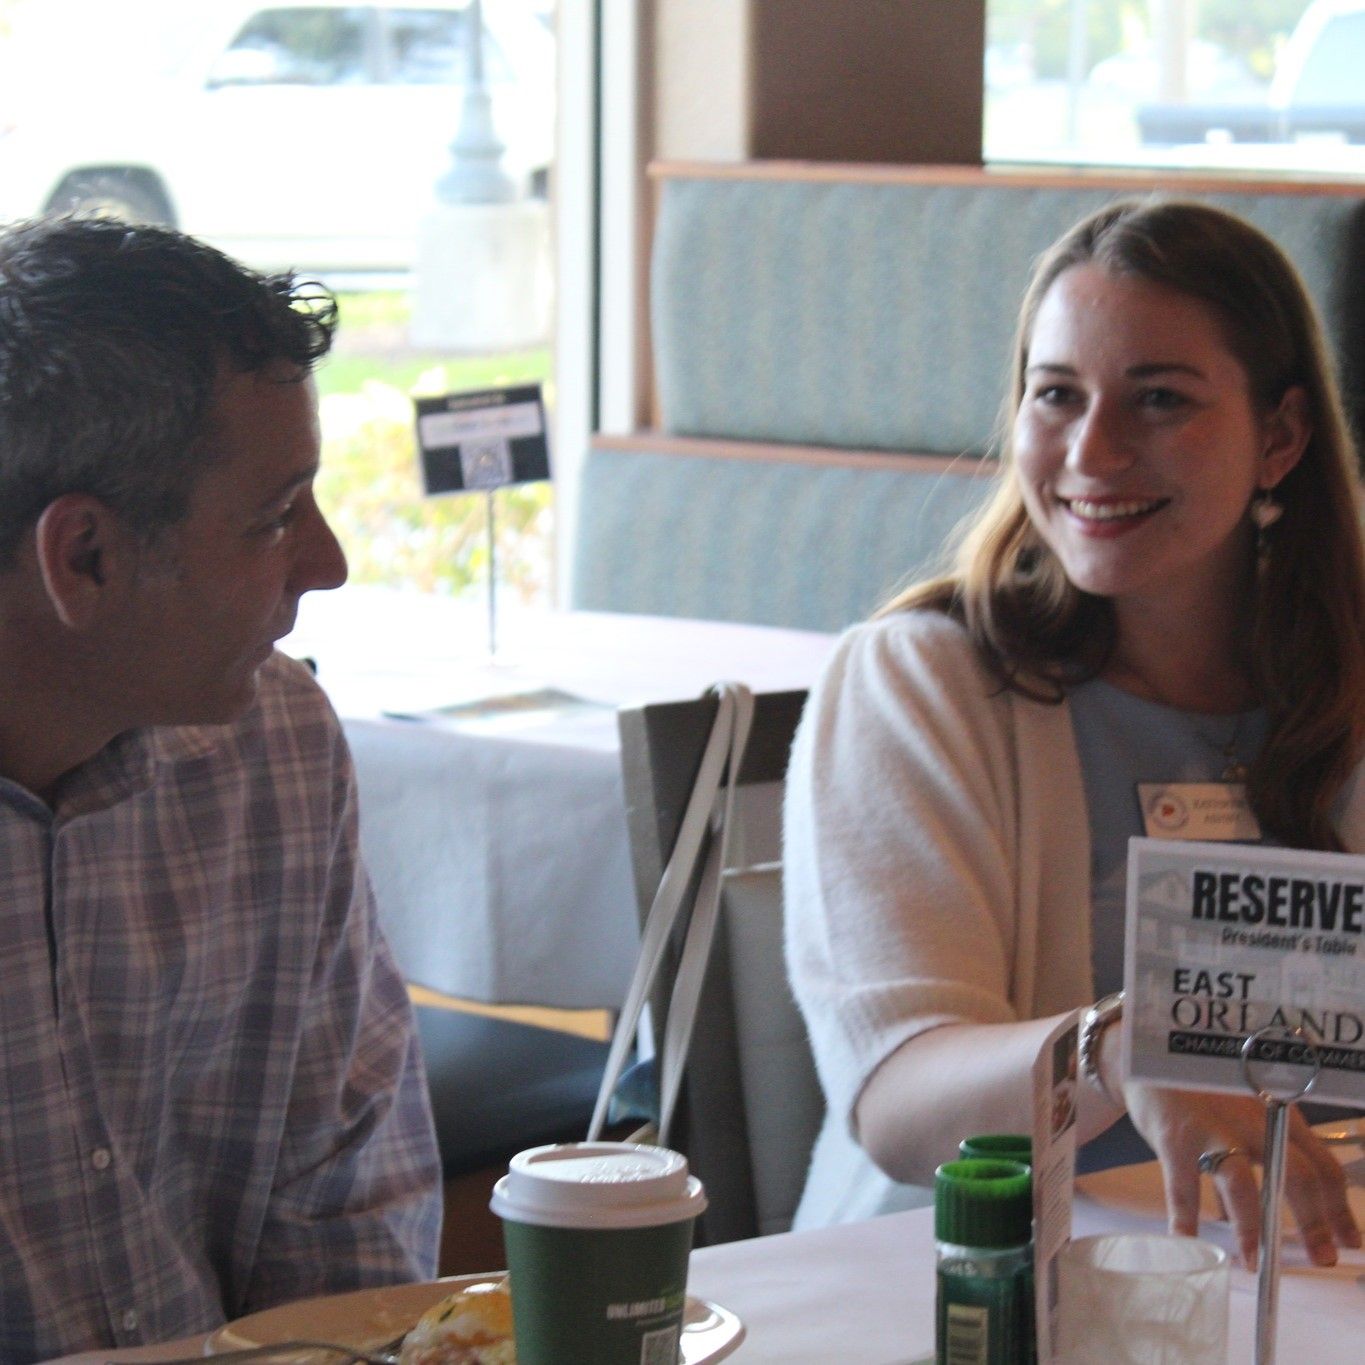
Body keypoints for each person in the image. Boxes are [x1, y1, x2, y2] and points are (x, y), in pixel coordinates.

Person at [784, 198, 1365, 1271]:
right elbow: (898, 1102)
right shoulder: (925, 683)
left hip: (1297, 1269)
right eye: (1057, 395)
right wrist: (1117, 1050)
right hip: (971, 1287)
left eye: (1159, 400)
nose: (1092, 450)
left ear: (1279, 437)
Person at [0, 216, 442, 1360]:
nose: (329, 562)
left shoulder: (272, 749)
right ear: (83, 558)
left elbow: (348, 1209)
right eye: (276, 515)